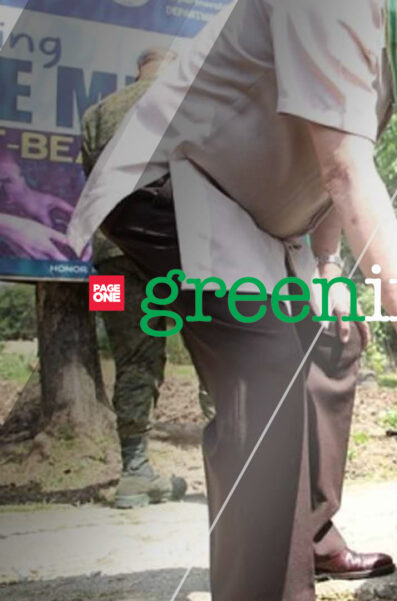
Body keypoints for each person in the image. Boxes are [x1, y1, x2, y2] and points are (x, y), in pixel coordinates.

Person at [67, 1, 397, 598]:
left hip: (258, 222)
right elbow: (345, 170)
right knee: (263, 366)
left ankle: (309, 534)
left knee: (335, 339)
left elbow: (330, 168)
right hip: (166, 196)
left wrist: (328, 269)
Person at [80, 48, 191, 510]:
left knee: (129, 358)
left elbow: (91, 178)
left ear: (136, 69)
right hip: (169, 249)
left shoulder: (97, 113)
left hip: (105, 259)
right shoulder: (183, 101)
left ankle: (133, 470)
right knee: (212, 347)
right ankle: (227, 468)